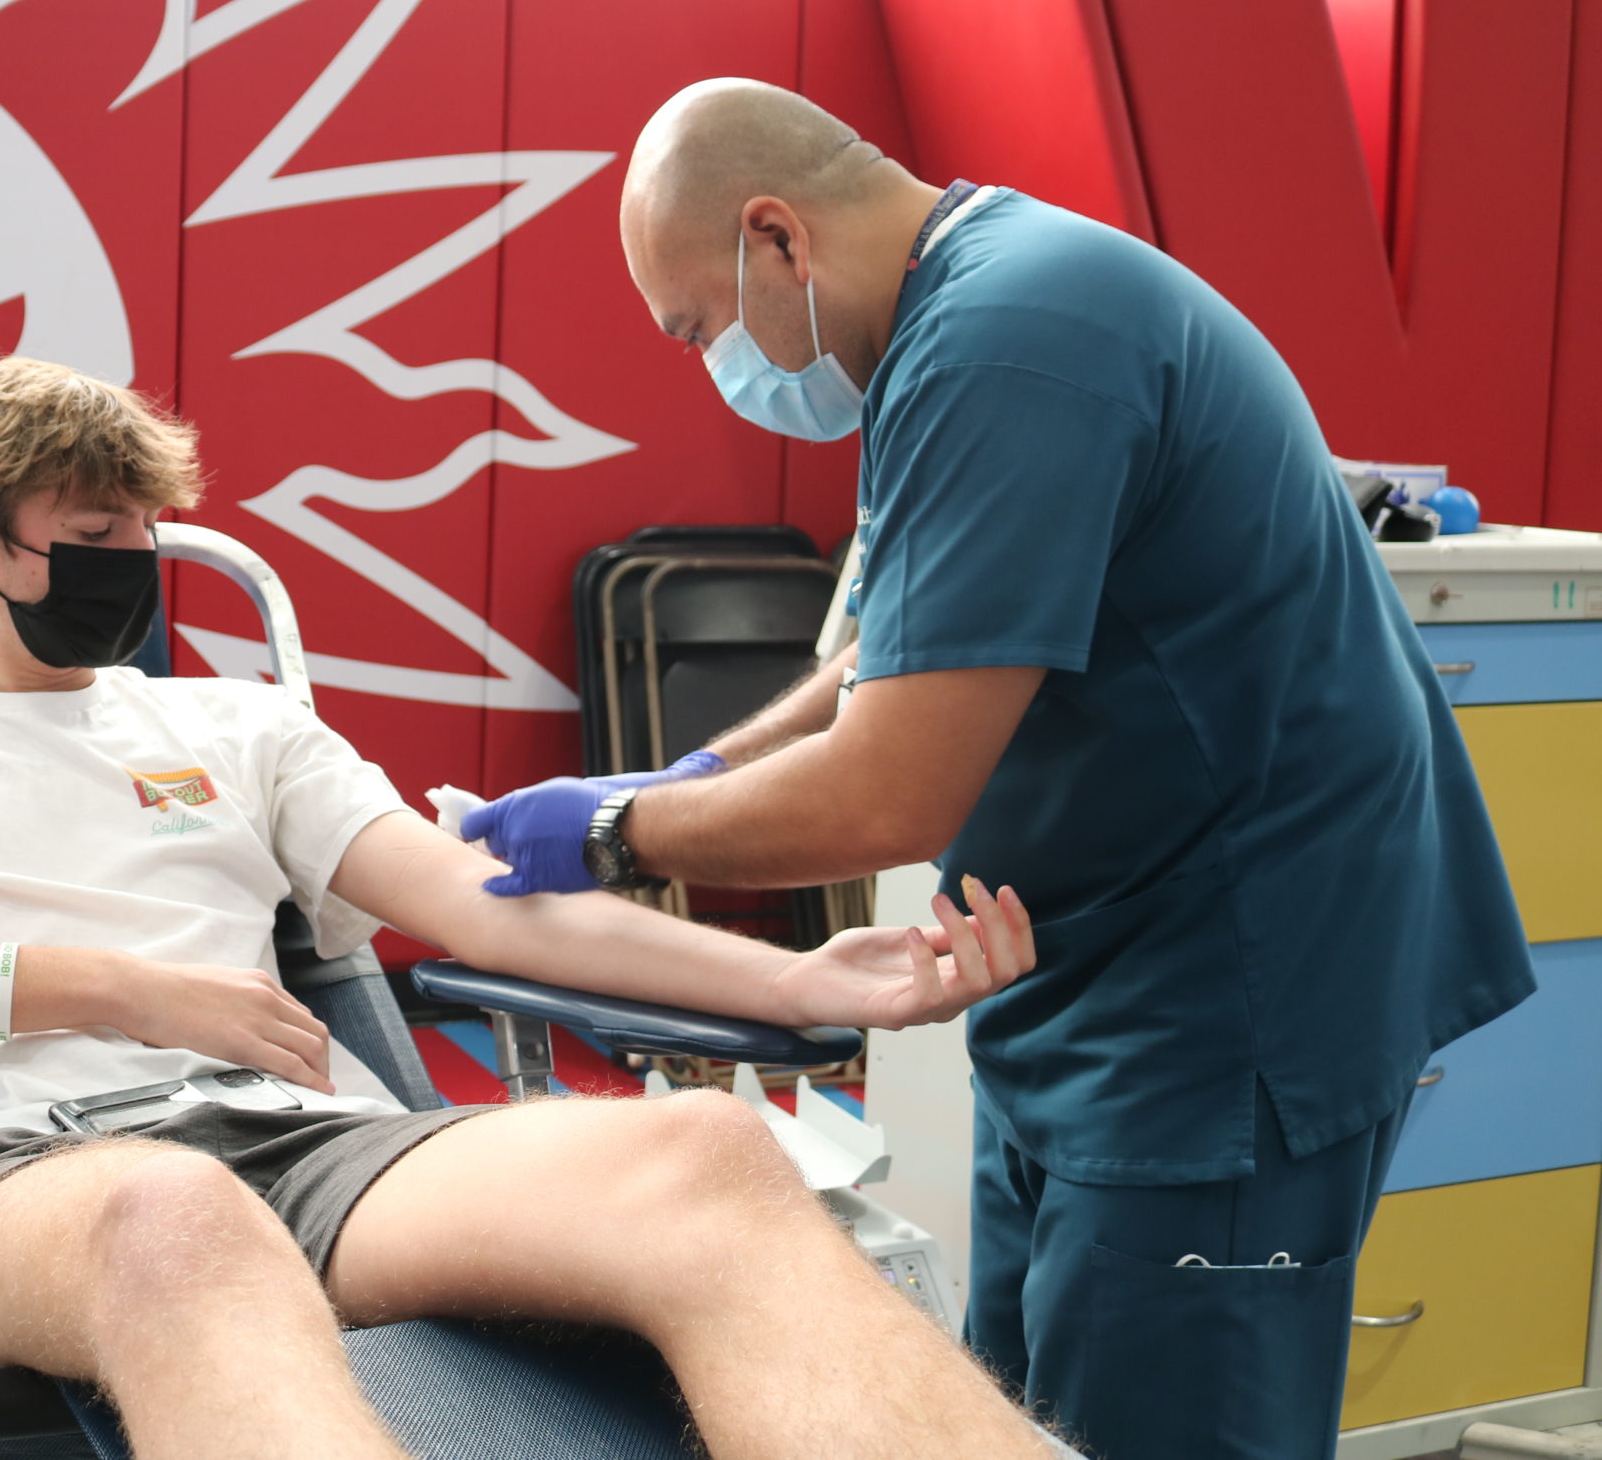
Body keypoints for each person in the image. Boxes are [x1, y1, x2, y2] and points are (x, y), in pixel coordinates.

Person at [0, 355, 1065, 1460]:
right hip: (5, 1181)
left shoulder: (238, 724)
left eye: (149, 526)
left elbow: (489, 905)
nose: (133, 559)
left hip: (299, 1136)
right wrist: (105, 986)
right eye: (93, 531)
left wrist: (809, 988)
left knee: (709, 1156)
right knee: (180, 1223)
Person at [461, 80, 1536, 1459]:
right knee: (1021, 1421)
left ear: (777, 239)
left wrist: (619, 830)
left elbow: (882, 796)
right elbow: (893, 652)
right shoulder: (957, 317)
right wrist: (699, 767)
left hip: (1236, 1000)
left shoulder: (1008, 346)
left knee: (1172, 1425)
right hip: (1099, 976)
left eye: (700, 327)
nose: (710, 367)